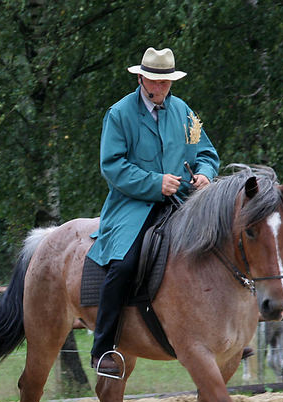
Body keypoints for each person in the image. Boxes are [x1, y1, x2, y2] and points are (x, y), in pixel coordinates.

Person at [89, 47, 220, 376]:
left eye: (166, 81)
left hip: (183, 203)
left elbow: (205, 151)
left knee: (218, 252)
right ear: (141, 77)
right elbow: (113, 166)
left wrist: (205, 173)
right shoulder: (119, 114)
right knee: (124, 264)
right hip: (132, 205)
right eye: (155, 80)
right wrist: (154, 183)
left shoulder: (184, 112)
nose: (161, 87)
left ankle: (222, 334)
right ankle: (103, 347)